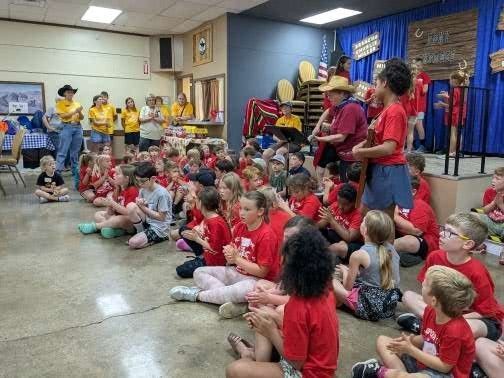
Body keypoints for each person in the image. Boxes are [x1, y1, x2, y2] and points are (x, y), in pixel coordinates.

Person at [225, 227, 339, 378]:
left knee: (235, 370)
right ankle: (255, 359)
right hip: (322, 365)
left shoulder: (297, 306)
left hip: (308, 373)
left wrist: (271, 330)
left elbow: (296, 363)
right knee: (265, 316)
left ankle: (248, 356)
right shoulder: (326, 288)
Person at [169, 191, 279, 319]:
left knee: (243, 290)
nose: (241, 213)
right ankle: (231, 300)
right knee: (198, 272)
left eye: (247, 209)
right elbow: (232, 253)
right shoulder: (240, 227)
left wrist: (236, 259)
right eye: (241, 208)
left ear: (260, 211)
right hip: (237, 271)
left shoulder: (267, 235)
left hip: (257, 280)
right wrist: (229, 253)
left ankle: (197, 295)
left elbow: (262, 272)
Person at [352, 265, 476, 378]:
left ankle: (382, 373)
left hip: (445, 373)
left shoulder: (455, 331)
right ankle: (400, 374)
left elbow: (444, 366)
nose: (422, 283)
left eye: (426, 283)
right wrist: (408, 342)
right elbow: (426, 337)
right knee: (383, 341)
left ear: (434, 300)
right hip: (424, 360)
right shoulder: (430, 310)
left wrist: (411, 349)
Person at [398, 213, 504, 341]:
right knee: (408, 296)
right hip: (442, 311)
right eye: (443, 229)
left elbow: (485, 312)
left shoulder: (477, 272)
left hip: (473, 318)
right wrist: (440, 315)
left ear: (468, 244)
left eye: (449, 232)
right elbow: (428, 292)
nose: (441, 234)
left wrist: (448, 319)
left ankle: (426, 328)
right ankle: (433, 330)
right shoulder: (434, 256)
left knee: (470, 328)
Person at [352, 58, 413, 221]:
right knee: (369, 216)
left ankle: (383, 247)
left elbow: (388, 148)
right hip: (381, 169)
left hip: (388, 171)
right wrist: (361, 146)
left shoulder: (394, 111)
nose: (374, 88)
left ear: (385, 83)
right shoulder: (387, 110)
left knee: (382, 221)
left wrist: (361, 152)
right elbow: (375, 139)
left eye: (376, 83)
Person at [332, 210, 401, 321]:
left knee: (333, 282)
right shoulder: (391, 248)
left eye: (363, 221)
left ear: (365, 230)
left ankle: (340, 303)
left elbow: (347, 288)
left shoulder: (358, 255)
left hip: (371, 308)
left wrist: (345, 271)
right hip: (389, 305)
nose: (361, 221)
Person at [316, 76, 367, 181]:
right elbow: (328, 111)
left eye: (331, 95)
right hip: (343, 151)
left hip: (352, 155)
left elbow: (342, 137)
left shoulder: (350, 108)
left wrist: (321, 139)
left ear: (343, 94)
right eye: (328, 95)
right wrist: (317, 126)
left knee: (348, 185)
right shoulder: (341, 106)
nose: (328, 98)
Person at [175, 187, 232, 278]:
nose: (195, 201)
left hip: (216, 261)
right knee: (185, 231)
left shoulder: (215, 222)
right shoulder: (209, 216)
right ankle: (201, 258)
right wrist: (197, 230)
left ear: (201, 203)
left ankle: (208, 265)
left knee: (180, 270)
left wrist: (196, 239)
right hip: (208, 255)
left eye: (196, 199)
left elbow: (215, 249)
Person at [78, 164, 139, 238]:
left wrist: (112, 203)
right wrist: (109, 205)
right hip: (117, 217)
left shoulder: (132, 190)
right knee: (98, 214)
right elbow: (110, 212)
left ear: (126, 178)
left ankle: (95, 227)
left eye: (117, 174)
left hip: (130, 222)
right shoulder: (118, 189)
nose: (114, 175)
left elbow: (127, 212)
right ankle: (115, 230)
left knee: (118, 219)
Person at [393, 176, 439, 267]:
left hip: (426, 241)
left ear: (413, 192)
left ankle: (379, 251)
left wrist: (394, 216)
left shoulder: (419, 205)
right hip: (403, 235)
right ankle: (402, 255)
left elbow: (416, 231)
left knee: (406, 241)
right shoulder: (396, 202)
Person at [126, 162, 172, 249]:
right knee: (130, 206)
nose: (139, 184)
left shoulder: (161, 193)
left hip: (159, 227)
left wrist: (142, 207)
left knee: (133, 243)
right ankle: (141, 232)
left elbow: (161, 217)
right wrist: (141, 204)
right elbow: (140, 207)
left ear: (153, 178)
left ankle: (162, 237)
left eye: (142, 181)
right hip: (148, 220)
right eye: (137, 180)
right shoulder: (143, 189)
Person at [317, 183, 362, 262]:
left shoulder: (358, 214)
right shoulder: (335, 205)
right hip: (334, 237)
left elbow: (349, 238)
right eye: (339, 202)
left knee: (338, 247)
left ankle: (319, 257)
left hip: (351, 244)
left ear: (353, 203)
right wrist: (325, 219)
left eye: (345, 204)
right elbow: (320, 225)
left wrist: (332, 220)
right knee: (314, 232)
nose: (340, 206)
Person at [434, 70, 469, 156]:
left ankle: (451, 152)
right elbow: (457, 102)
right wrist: (447, 96)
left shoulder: (455, 90)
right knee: (458, 133)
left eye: (450, 79)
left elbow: (451, 105)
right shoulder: (462, 89)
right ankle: (457, 151)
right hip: (459, 113)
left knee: (453, 133)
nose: (449, 81)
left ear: (454, 80)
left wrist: (441, 104)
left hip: (455, 113)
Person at [55, 84, 84, 183]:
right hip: (66, 126)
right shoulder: (60, 104)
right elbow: (63, 116)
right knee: (63, 150)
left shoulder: (77, 103)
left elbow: (82, 117)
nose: (70, 93)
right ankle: (57, 172)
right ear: (64, 93)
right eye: (68, 92)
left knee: (75, 151)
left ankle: (75, 170)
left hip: (78, 127)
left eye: (72, 92)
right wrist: (74, 111)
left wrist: (79, 112)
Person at [412, 57, 431, 152]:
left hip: (420, 105)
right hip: (411, 104)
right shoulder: (411, 76)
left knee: (419, 124)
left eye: (418, 65)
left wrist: (418, 84)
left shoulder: (424, 76)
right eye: (415, 65)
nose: (417, 67)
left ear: (422, 66)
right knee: (411, 124)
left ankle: (423, 146)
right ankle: (411, 145)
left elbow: (425, 90)